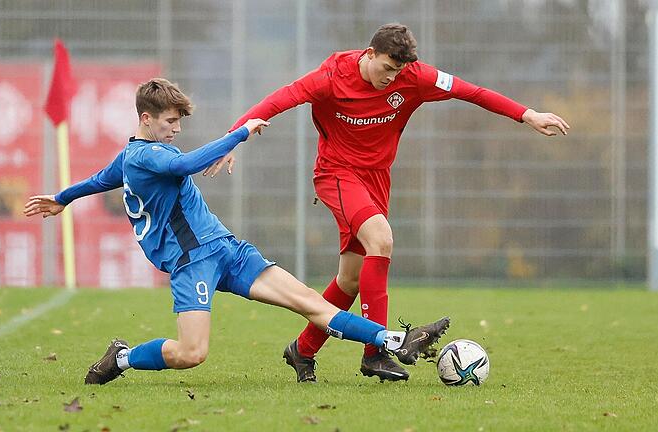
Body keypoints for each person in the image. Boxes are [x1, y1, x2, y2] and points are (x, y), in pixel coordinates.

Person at [23, 78, 449, 385]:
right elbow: (183, 166)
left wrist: (63, 197)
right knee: (192, 354)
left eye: (179, 123)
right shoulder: (148, 157)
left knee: (310, 303)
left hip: (227, 250)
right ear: (146, 118)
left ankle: (393, 339)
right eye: (170, 122)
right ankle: (123, 357)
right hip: (192, 264)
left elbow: (99, 180)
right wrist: (240, 133)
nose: (176, 130)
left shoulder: (130, 157)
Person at [212, 23, 570, 383]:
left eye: (397, 71)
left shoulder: (415, 77)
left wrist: (527, 115)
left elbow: (470, 91)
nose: (391, 77)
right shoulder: (330, 78)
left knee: (349, 281)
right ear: (369, 55)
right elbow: (276, 101)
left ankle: (303, 350)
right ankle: (376, 353)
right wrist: (232, 139)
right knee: (381, 240)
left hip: (377, 180)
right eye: (386, 68)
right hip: (336, 174)